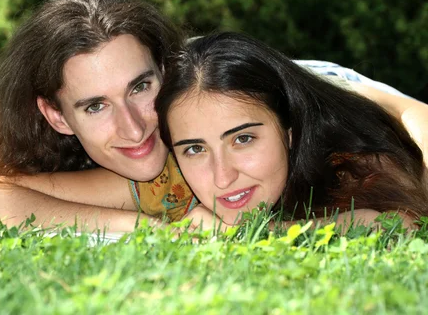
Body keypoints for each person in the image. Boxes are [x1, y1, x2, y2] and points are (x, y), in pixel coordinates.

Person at [0, 0, 428, 231]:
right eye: (95, 105)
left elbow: (406, 115)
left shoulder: (211, 105)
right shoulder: (55, 147)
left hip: (312, 83)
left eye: (141, 85)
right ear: (57, 116)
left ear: (167, 67)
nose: (133, 125)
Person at [155, 32, 428, 229]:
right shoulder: (160, 163)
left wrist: (236, 232)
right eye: (195, 148)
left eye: (243, 138)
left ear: (290, 132)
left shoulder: (355, 152)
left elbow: (394, 225)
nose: (223, 178)